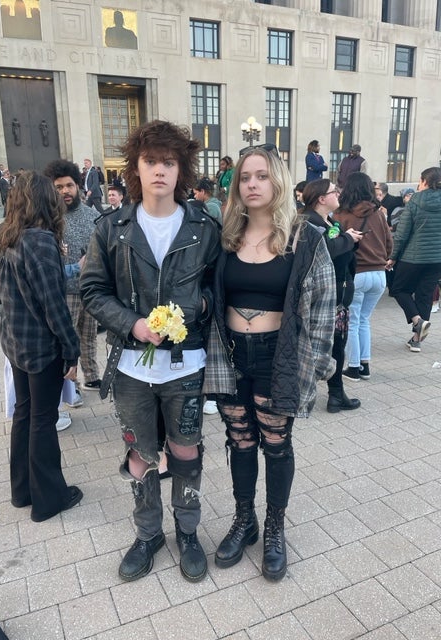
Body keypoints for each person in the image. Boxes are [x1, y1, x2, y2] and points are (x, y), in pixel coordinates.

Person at [80, 120, 221, 583]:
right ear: (135, 169)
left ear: (181, 170)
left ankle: (188, 532)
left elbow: (217, 291)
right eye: (150, 161)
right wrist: (134, 323)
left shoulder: (204, 227)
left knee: (185, 450)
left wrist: (196, 307)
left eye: (168, 162)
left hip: (186, 364)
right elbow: (93, 290)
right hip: (131, 369)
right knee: (140, 454)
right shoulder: (112, 228)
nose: (159, 170)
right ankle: (147, 533)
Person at [204, 146, 336, 582]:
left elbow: (322, 305)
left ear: (277, 181)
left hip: (278, 355)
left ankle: (275, 527)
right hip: (229, 354)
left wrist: (316, 364)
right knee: (239, 438)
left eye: (261, 176)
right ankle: (246, 520)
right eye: (245, 177)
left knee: (276, 443)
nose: (252, 184)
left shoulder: (305, 237)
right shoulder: (225, 235)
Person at [0, 171, 83, 522]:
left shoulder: (6, 237)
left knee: (25, 414)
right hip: (41, 347)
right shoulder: (39, 240)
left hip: (15, 341)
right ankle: (48, 500)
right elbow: (53, 305)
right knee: (43, 418)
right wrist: (70, 349)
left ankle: (22, 490)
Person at [302, 179, 362, 412]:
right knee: (317, 344)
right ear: (321, 198)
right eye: (333, 191)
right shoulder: (308, 223)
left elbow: (339, 253)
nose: (338, 194)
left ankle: (336, 394)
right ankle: (311, 392)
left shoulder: (329, 221)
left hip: (339, 296)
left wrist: (349, 240)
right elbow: (324, 251)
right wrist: (348, 239)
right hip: (322, 297)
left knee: (337, 345)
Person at [44, 159, 101, 396]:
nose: (65, 191)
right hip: (64, 290)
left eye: (69, 185)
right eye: (58, 187)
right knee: (68, 340)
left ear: (77, 186)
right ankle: (71, 386)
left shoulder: (93, 215)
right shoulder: (47, 218)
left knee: (89, 336)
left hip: (91, 289)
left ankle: (92, 376)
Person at [332, 173, 392, 380]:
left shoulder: (341, 214)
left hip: (356, 273)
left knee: (353, 321)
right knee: (364, 320)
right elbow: (389, 242)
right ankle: (365, 364)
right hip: (379, 273)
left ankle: (354, 367)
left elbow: (336, 244)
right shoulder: (379, 213)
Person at [387, 167, 441, 352]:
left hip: (413, 256)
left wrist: (393, 257)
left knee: (399, 289)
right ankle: (416, 340)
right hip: (437, 258)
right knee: (425, 296)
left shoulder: (415, 201)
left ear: (424, 181)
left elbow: (401, 234)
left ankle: (417, 321)